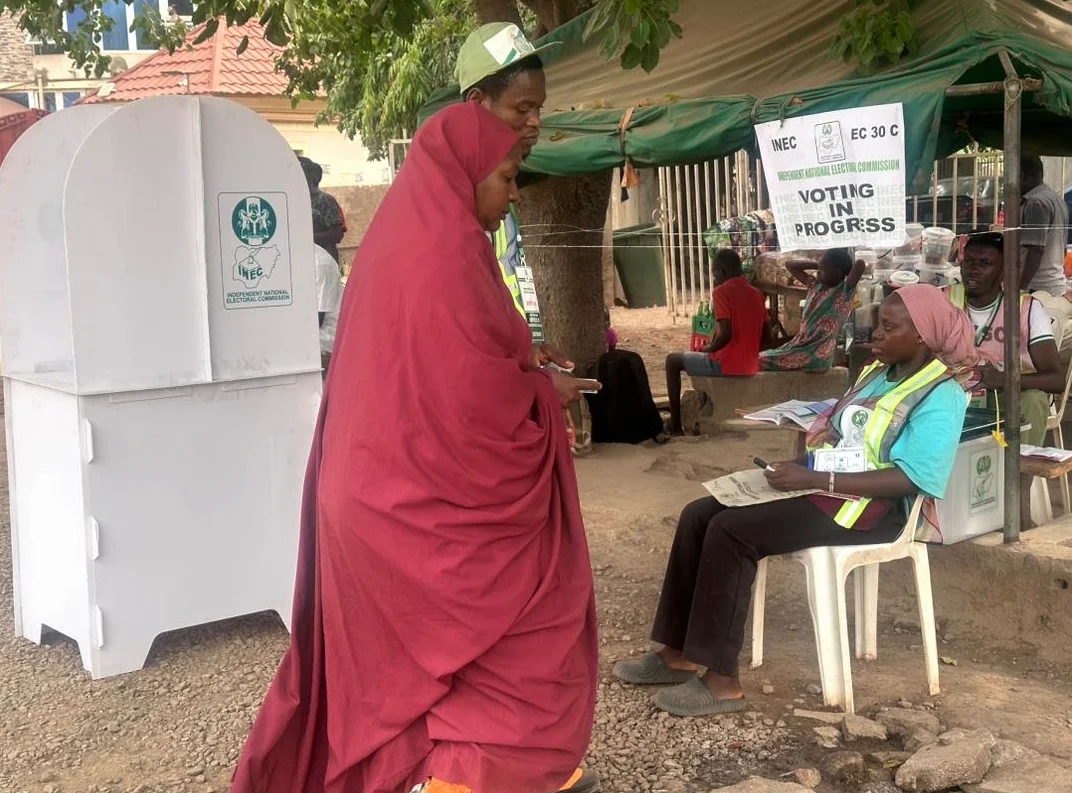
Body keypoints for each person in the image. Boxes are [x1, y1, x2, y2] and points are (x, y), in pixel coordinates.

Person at [232, 104, 598, 793]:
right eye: (508, 177)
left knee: (421, 669)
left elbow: (462, 361)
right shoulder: (449, 254)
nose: (513, 194)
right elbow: (471, 399)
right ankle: (466, 774)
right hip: (412, 502)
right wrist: (546, 397)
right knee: (521, 635)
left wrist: (527, 365)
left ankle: (447, 770)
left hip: (377, 487)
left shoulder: (412, 239)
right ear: (464, 175)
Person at [613, 284, 976, 716]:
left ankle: (723, 681)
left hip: (870, 511)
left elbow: (913, 478)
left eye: (887, 327)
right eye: (877, 325)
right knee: (699, 514)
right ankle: (679, 653)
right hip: (826, 489)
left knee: (732, 532)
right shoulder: (879, 372)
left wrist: (816, 476)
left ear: (922, 336)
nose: (874, 335)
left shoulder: (942, 394)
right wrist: (804, 463)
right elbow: (847, 433)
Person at [458, 22, 577, 384]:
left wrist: (526, 350)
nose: (536, 122)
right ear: (477, 104)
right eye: (523, 108)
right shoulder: (448, 214)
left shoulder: (497, 201)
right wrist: (528, 385)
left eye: (539, 108)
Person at [949, 231, 1064, 524]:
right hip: (952, 394)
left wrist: (1006, 380)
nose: (972, 269)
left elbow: (1055, 380)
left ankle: (1018, 495)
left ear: (1003, 270)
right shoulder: (945, 301)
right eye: (968, 260)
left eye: (984, 263)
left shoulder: (1025, 308)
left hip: (1006, 396)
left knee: (1035, 400)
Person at [665, 249, 768, 435]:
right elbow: (767, 335)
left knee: (672, 360)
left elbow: (726, 333)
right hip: (750, 365)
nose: (714, 277)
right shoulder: (756, 294)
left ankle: (675, 424)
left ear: (721, 271)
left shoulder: (721, 292)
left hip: (726, 364)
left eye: (714, 272)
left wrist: (709, 349)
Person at [759, 249, 864, 372]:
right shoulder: (814, 285)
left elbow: (860, 264)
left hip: (816, 353)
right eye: (819, 268)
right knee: (763, 356)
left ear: (838, 272)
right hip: (800, 346)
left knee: (760, 360)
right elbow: (790, 265)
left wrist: (837, 264)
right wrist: (818, 264)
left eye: (824, 270)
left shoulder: (843, 292)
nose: (818, 272)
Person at [1019, 154, 1069, 296]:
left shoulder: (1035, 202)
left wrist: (1021, 287)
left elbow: (1035, 249)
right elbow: (1062, 249)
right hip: (1053, 284)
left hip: (1038, 288)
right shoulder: (1056, 199)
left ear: (1022, 176)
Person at [299, 156, 346, 264]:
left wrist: (306, 240)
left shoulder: (325, 200)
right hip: (301, 263)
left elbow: (336, 234)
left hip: (323, 263)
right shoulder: (292, 202)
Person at [313, 243, 342, 373]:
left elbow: (316, 321)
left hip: (325, 336)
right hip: (310, 332)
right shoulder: (295, 259)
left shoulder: (320, 263)